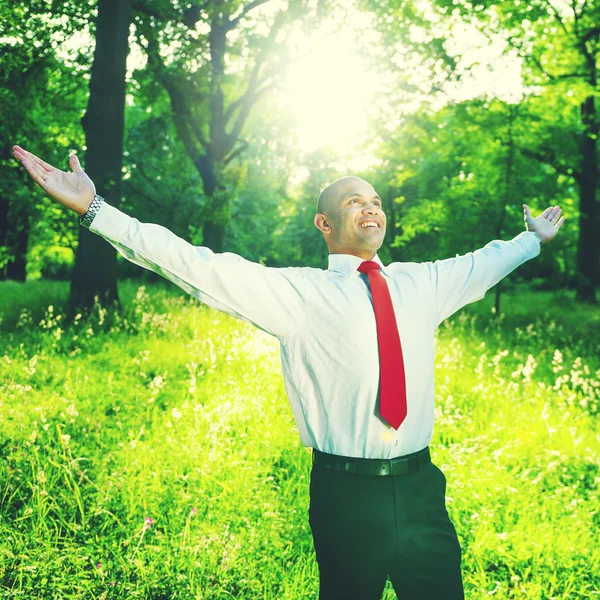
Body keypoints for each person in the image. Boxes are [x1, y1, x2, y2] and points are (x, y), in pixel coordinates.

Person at [12, 145, 565, 599]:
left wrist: (532, 239)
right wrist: (95, 210)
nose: (371, 207)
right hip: (345, 495)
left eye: (375, 200)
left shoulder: (423, 283)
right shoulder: (299, 294)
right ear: (325, 222)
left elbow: (487, 260)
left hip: (423, 488)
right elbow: (191, 262)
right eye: (355, 201)